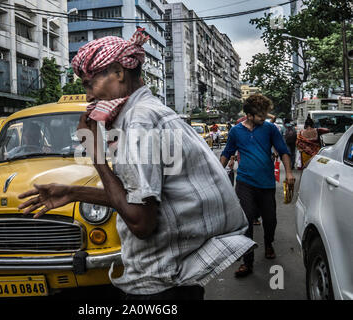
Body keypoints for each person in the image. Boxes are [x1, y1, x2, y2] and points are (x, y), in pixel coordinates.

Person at [18, 28, 255, 300]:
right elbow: (145, 198)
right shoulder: (149, 113)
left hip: (160, 284)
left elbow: (141, 223)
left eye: (88, 83)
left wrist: (96, 155)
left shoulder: (139, 123)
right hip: (174, 275)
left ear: (119, 72)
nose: (88, 97)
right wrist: (74, 192)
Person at [220, 94, 296, 278]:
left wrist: (290, 173)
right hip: (245, 183)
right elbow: (227, 152)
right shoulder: (236, 132)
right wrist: (218, 174)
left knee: (270, 221)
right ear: (249, 114)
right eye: (261, 115)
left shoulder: (270, 129)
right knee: (246, 222)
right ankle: (247, 261)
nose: (264, 118)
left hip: (267, 183)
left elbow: (283, 151)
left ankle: (268, 242)